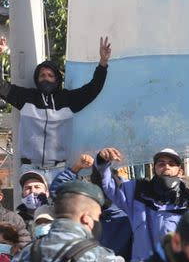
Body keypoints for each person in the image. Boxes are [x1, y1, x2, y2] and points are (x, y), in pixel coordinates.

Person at [1, 37, 110, 176]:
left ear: (57, 80)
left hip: (60, 169)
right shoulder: (26, 97)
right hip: (30, 169)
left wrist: (103, 63)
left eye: (50, 75)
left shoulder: (67, 99)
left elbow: (93, 89)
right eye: (42, 75)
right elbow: (1, 87)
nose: (46, 78)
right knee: (32, 199)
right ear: (37, 79)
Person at [96, 146, 189, 262]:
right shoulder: (137, 191)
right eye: (161, 164)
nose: (166, 167)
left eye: (172, 164)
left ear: (180, 171)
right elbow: (110, 185)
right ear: (154, 169)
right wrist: (102, 161)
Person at [52, 154, 134, 262]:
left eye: (107, 185)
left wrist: (76, 168)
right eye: (99, 185)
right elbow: (59, 193)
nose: (104, 190)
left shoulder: (131, 214)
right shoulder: (86, 209)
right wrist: (76, 167)